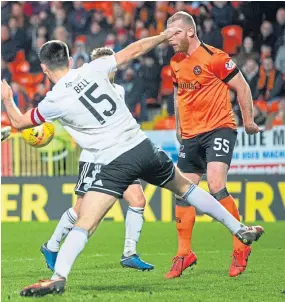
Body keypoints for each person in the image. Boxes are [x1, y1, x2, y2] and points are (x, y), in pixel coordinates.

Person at [1, 32, 264, 297]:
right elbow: (133, 50)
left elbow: (20, 123)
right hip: (143, 146)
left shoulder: (53, 101)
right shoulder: (94, 68)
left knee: (86, 222)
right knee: (187, 189)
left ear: (44, 69)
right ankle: (239, 228)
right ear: (69, 59)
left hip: (116, 161)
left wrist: (7, 97)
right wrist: (162, 36)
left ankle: (58, 277)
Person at [165, 11, 263, 279]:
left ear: (190, 32)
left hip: (219, 128)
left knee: (216, 184)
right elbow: (177, 93)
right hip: (191, 135)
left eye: (173, 34)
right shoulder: (175, 61)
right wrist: (178, 128)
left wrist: (249, 121)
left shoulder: (216, 57)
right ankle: (184, 253)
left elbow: (242, 87)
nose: (168, 39)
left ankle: (240, 246)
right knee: (181, 190)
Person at [41, 47, 154, 272]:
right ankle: (52, 245)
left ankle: (129, 252)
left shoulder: (119, 90)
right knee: (81, 210)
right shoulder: (78, 89)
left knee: (138, 200)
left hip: (119, 154)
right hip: (95, 156)